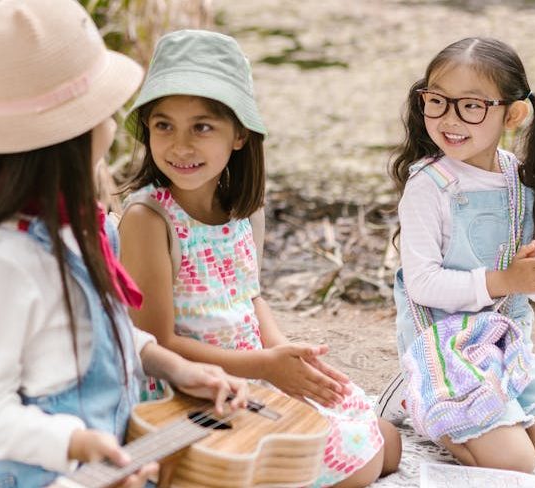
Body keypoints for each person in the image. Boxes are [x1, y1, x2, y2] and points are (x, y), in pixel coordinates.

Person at [0, 2, 247, 486]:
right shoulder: (1, 262)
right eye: (105, 111)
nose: (113, 124)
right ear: (74, 133)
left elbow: (105, 335)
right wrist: (76, 445)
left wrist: (177, 368)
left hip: (111, 461)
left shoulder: (84, 225)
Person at [117, 29, 401, 488]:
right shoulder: (149, 219)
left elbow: (251, 296)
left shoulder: (244, 208)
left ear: (239, 135)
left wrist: (285, 355)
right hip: (190, 390)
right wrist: (265, 367)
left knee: (383, 439)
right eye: (163, 125)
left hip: (254, 375)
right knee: (361, 461)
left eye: (202, 127)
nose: (180, 145)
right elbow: (157, 343)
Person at [379, 37, 535, 472]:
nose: (449, 119)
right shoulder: (429, 186)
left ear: (511, 115)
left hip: (505, 342)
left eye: (471, 106)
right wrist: (505, 280)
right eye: (437, 101)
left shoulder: (520, 180)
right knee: (516, 463)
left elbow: (525, 289)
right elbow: (422, 284)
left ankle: (484, 407)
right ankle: (415, 391)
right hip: (441, 344)